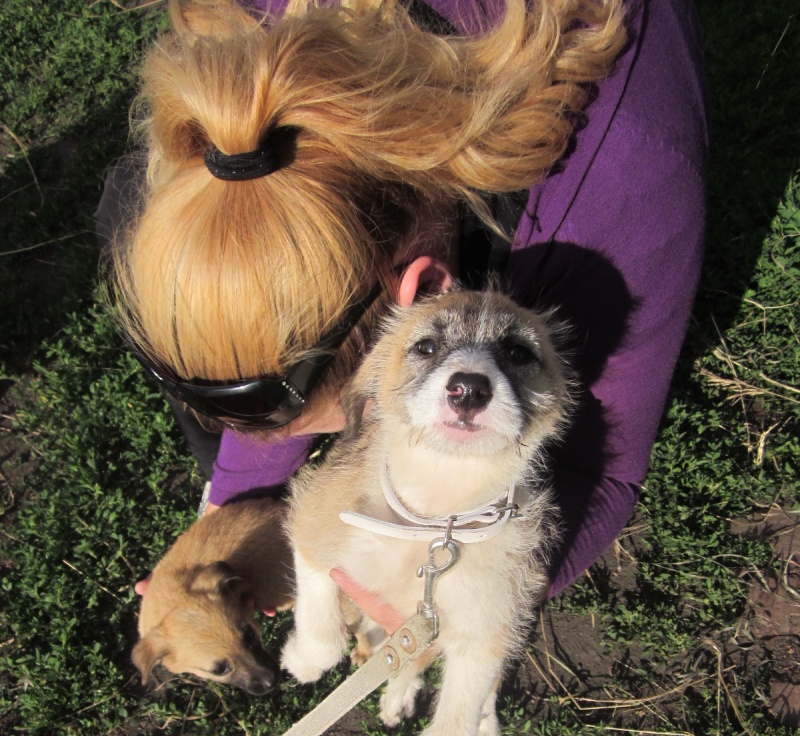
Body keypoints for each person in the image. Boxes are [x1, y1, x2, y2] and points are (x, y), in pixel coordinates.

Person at [108, 0, 709, 624]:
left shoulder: (620, 193)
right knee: (115, 205)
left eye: (356, 414)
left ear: (425, 298)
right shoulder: (242, 102)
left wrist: (451, 605)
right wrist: (231, 502)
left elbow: (595, 468)